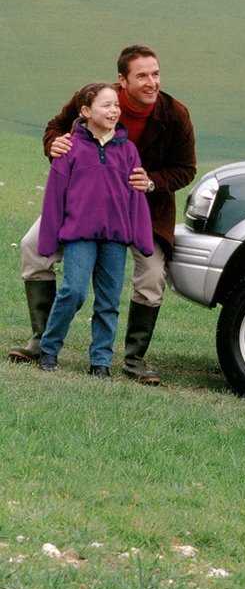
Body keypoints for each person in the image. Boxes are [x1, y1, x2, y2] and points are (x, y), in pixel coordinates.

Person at [10, 45, 196, 383]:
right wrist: (53, 143)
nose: (152, 82)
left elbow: (186, 169)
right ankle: (41, 343)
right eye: (142, 76)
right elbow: (56, 127)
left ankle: (134, 360)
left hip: (144, 209)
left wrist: (151, 182)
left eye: (156, 73)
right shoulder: (98, 98)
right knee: (31, 248)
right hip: (83, 206)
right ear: (123, 80)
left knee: (152, 276)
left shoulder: (175, 114)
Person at [36, 82, 154, 375]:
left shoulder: (128, 150)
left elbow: (136, 198)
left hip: (115, 239)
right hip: (80, 236)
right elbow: (54, 196)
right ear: (86, 111)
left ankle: (100, 362)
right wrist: (48, 239)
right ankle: (48, 350)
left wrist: (142, 239)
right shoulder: (70, 148)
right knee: (73, 291)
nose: (114, 110)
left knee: (109, 301)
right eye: (106, 105)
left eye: (116, 105)